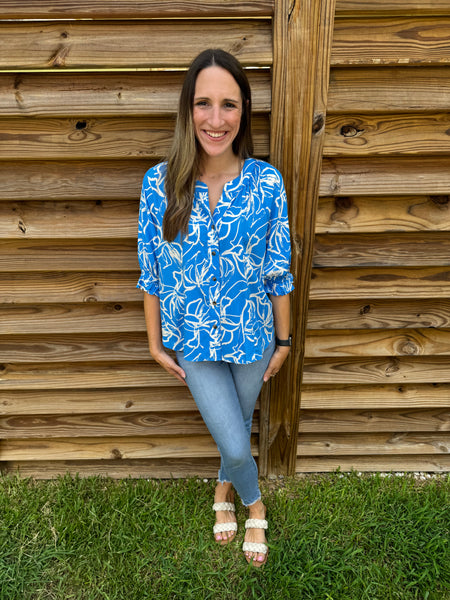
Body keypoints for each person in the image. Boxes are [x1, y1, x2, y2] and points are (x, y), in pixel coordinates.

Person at [137, 48, 293, 567]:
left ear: (244, 110)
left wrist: (285, 342)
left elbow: (278, 269)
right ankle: (255, 502)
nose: (216, 118)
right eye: (204, 103)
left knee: (237, 428)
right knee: (233, 439)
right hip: (194, 342)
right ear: (188, 109)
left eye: (229, 104)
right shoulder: (158, 184)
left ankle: (222, 495)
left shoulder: (266, 183)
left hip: (253, 337)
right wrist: (155, 343)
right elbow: (151, 270)